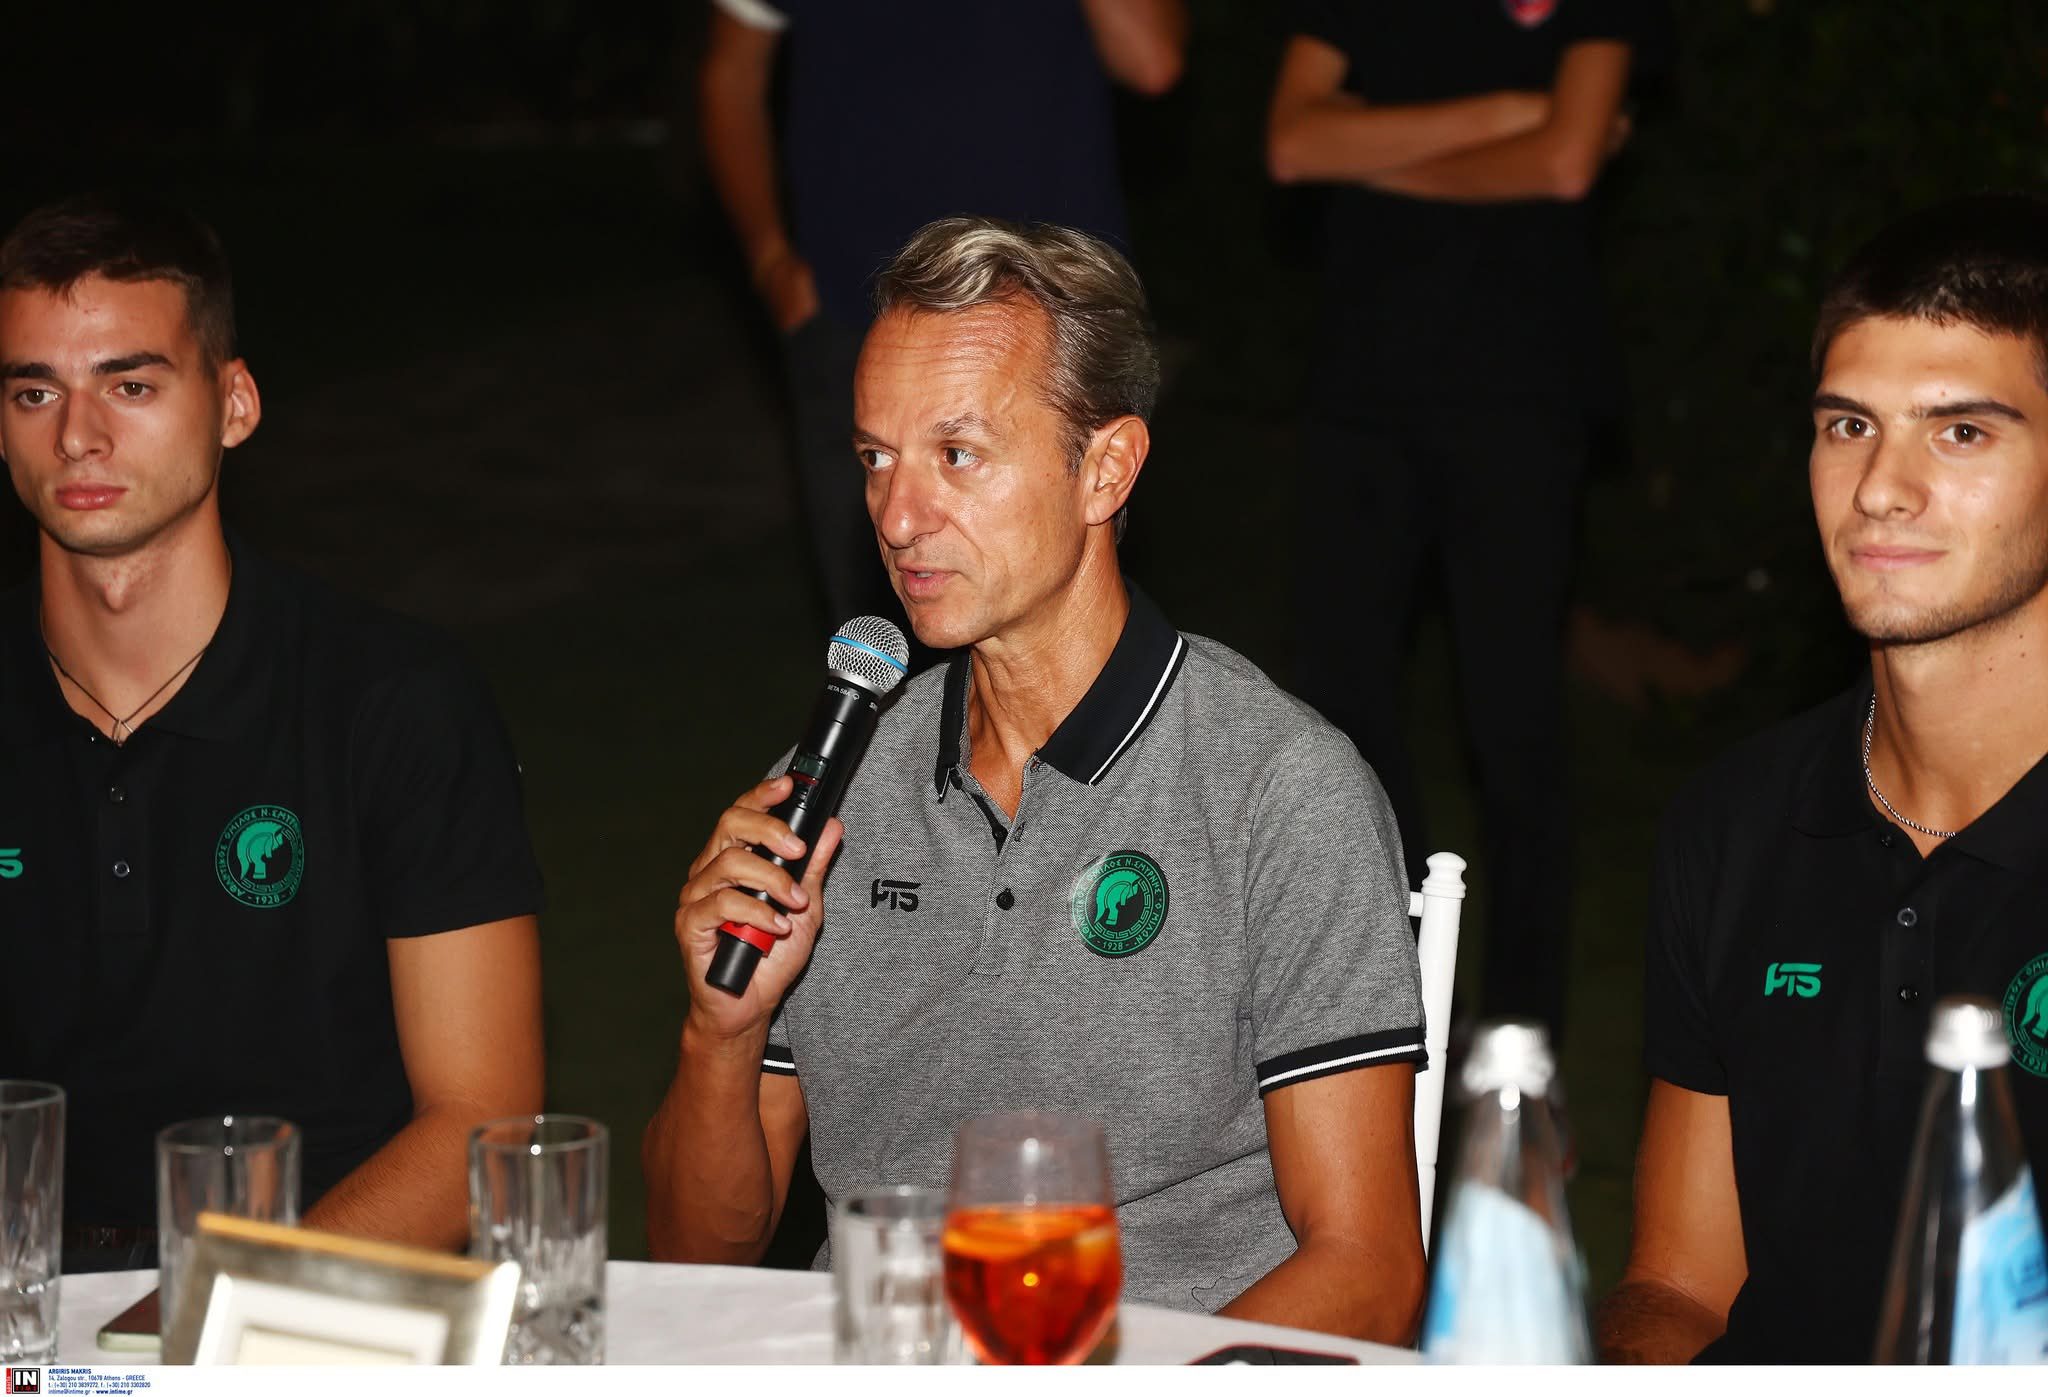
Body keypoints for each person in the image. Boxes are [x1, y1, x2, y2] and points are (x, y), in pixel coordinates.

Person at [644, 217, 1429, 1341]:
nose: (897, 516)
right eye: (874, 457)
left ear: (1104, 468)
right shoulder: (829, 789)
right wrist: (718, 1034)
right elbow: (695, 1257)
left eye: (957, 454)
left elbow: (1369, 1269)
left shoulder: (1276, 790)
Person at [0, 194, 546, 1271]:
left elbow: (480, 1123)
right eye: (34, 391)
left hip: (315, 1288)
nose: (78, 434)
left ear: (234, 403)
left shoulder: (392, 699)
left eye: (131, 384)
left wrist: (220, 1309)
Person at [1596, 193, 2048, 1363]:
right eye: (1848, 424)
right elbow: (1678, 1284)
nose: (1879, 487)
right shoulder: (1734, 823)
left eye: (1960, 432)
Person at [1266, 1, 1648, 1040]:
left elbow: (1566, 161)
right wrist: (1507, 112)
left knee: (1513, 723)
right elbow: (1294, 141)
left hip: (1519, 396)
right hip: (1360, 392)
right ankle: (1403, 1010)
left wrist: (1377, 149)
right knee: (1340, 715)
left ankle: (1518, 1049)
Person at [698, 0, 1186, 629]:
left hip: (1053, 326)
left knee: (1064, 610)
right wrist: (772, 263)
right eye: (876, 464)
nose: (898, 519)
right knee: (886, 623)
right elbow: (731, 75)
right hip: (860, 321)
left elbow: (1151, 59)